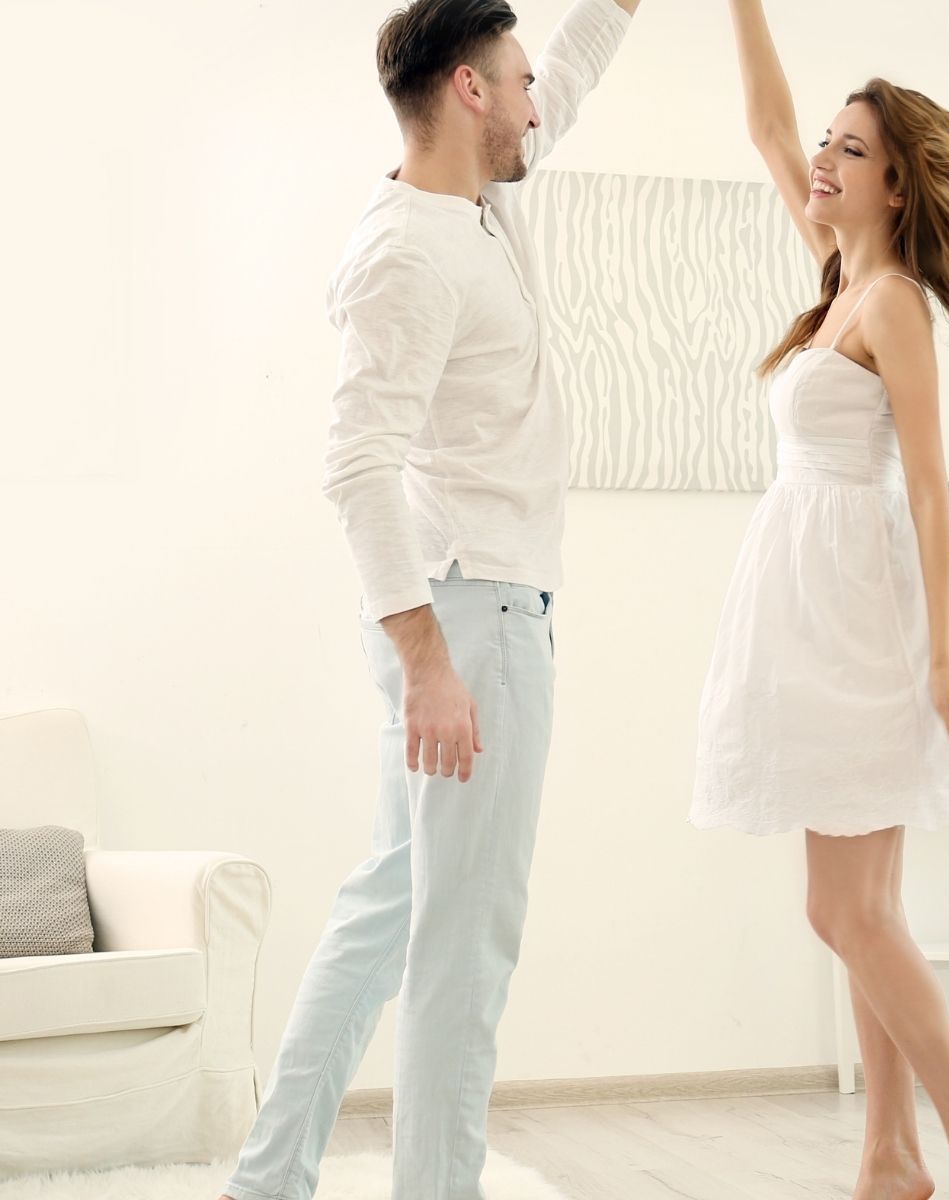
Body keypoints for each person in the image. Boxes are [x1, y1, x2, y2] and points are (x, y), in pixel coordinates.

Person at [689, 2, 949, 1199]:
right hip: (811, 605)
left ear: (895, 188)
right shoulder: (836, 277)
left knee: (846, 911)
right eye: (831, 144)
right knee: (861, 908)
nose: (823, 161)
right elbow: (768, 126)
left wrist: (944, 659)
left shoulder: (893, 307)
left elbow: (931, 494)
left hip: (863, 616)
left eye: (852, 151)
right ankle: (889, 1155)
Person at [219, 2, 639, 1198]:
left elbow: (573, 72)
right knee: (465, 945)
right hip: (470, 626)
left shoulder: (480, 202)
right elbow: (355, 466)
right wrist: (430, 665)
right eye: (515, 80)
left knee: (386, 909)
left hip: (464, 612)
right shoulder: (410, 251)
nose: (533, 99)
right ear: (467, 90)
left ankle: (267, 1179)